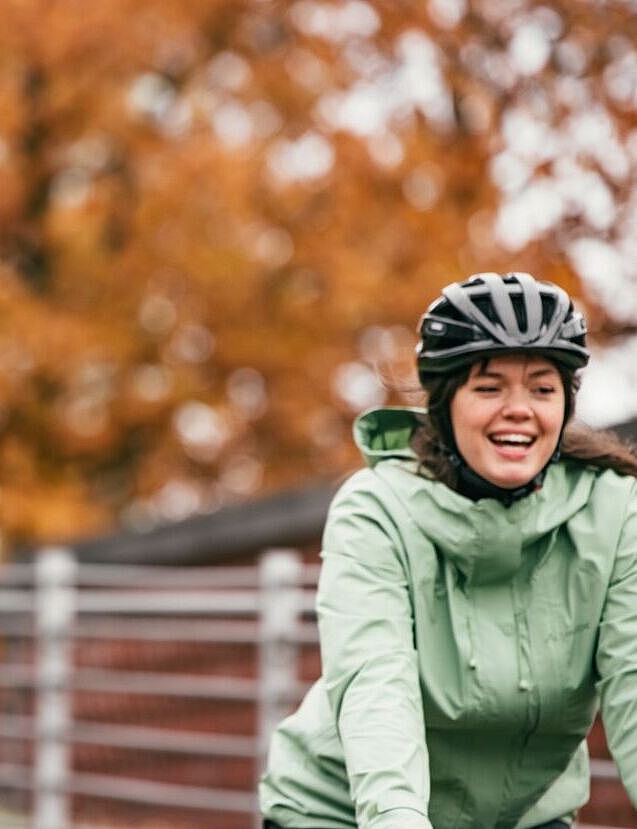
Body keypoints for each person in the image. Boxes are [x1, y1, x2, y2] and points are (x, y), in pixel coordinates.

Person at [258, 272, 637, 829]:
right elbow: (376, 685)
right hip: (342, 811)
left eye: (542, 388)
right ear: (445, 404)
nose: (519, 409)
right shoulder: (376, 509)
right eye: (489, 388)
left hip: (523, 815)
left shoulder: (616, 510)